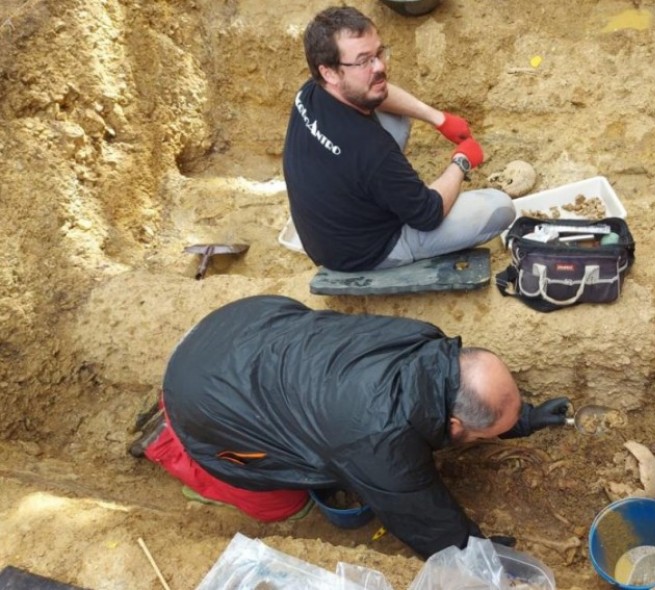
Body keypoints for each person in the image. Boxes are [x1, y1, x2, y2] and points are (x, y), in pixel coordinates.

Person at [129, 295, 569, 558]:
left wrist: (524, 418)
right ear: (454, 423)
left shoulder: (424, 340)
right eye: (480, 434)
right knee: (283, 504)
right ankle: (169, 440)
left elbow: (470, 396)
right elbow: (427, 522)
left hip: (242, 327)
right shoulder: (380, 442)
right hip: (202, 396)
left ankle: (187, 411)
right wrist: (476, 556)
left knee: (324, 442)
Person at [282, 6, 516, 272]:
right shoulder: (371, 150)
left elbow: (376, 92)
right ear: (330, 72)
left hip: (327, 225)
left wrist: (437, 118)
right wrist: (462, 161)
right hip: (365, 252)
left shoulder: (310, 92)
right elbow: (429, 213)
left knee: (391, 110)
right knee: (499, 207)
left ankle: (388, 193)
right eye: (363, 61)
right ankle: (399, 238)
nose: (380, 66)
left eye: (379, 53)